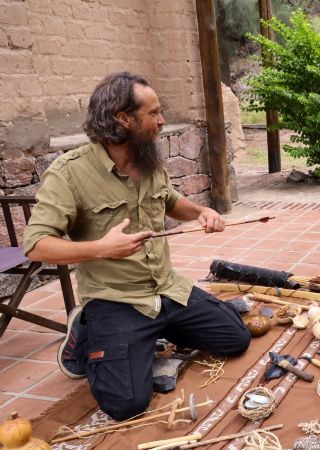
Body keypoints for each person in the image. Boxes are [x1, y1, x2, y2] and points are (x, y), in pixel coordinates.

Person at [23, 72, 251, 420]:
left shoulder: (148, 159)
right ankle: (85, 329)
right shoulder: (69, 172)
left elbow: (171, 201)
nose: (162, 121)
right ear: (124, 119)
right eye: (154, 113)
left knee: (235, 338)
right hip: (116, 298)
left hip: (165, 288)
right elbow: (36, 246)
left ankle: (151, 335)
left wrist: (201, 211)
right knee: (125, 403)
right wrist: (101, 248)